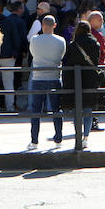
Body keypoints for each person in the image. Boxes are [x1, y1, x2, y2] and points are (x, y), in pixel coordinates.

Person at [26, 14, 66, 149]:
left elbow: (33, 54)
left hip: (38, 78)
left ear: (42, 25)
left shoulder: (34, 40)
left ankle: (34, 140)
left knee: (36, 111)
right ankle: (58, 138)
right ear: (54, 25)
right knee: (56, 109)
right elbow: (61, 56)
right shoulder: (61, 41)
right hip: (54, 77)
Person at [63, 20, 102, 148]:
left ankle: (78, 135)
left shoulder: (73, 45)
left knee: (76, 109)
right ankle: (86, 137)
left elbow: (68, 62)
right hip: (90, 79)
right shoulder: (95, 43)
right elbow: (96, 61)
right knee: (88, 109)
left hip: (75, 80)